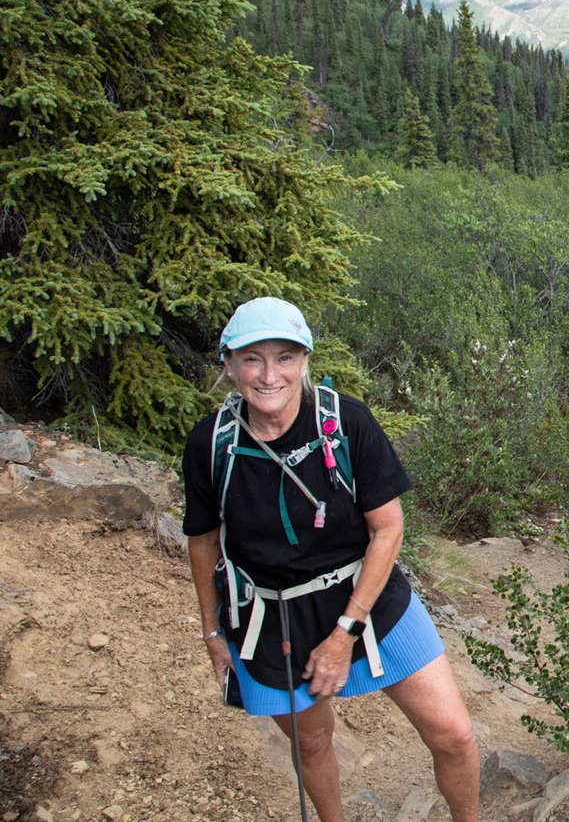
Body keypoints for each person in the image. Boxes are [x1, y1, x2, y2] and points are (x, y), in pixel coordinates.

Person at [183, 297, 479, 821]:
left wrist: (345, 631)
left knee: (453, 734)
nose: (269, 375)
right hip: (270, 618)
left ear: (305, 361)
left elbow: (387, 527)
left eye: (285, 357)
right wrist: (212, 635)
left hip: (366, 598)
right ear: (229, 365)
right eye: (253, 359)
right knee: (314, 744)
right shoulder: (211, 444)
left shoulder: (346, 424)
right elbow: (204, 541)